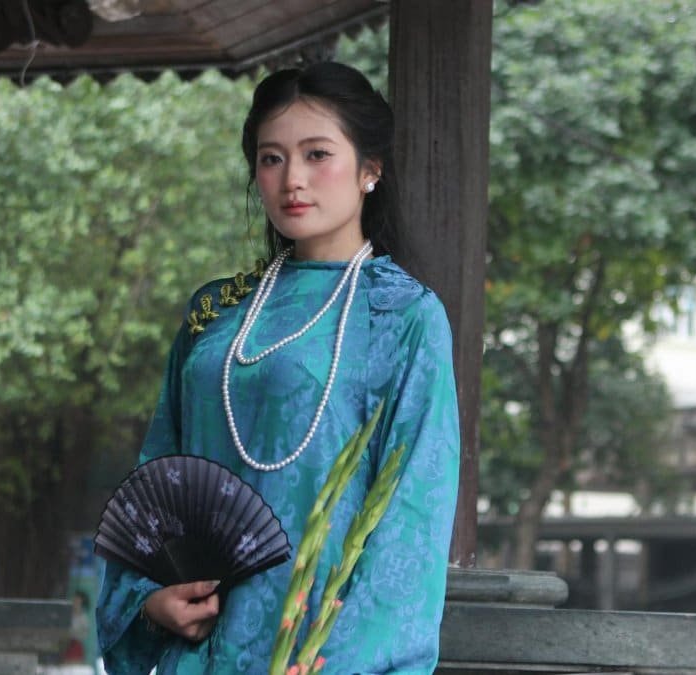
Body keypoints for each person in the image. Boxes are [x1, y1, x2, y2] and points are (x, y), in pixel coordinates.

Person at [96, 61, 459, 674]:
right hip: (200, 654)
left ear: (370, 168)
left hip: (316, 655)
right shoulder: (216, 314)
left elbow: (412, 520)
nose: (293, 179)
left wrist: (327, 666)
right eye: (272, 159)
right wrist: (148, 598)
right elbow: (158, 475)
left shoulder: (402, 316)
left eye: (318, 154)